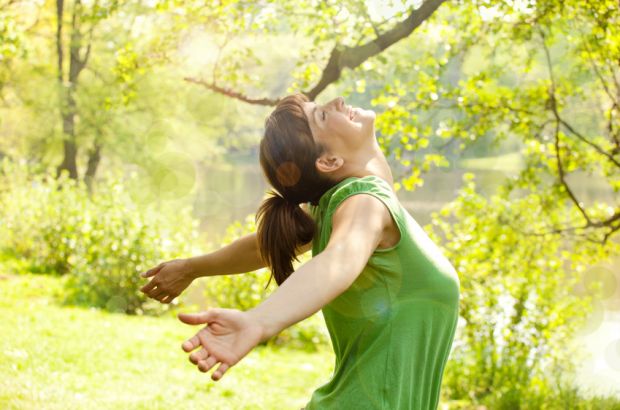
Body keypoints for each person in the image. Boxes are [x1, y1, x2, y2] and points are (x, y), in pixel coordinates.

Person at [139, 93, 460, 409]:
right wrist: (259, 321)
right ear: (329, 161)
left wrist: (191, 268)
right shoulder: (364, 201)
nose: (336, 101)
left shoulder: (338, 205)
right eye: (321, 114)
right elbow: (339, 259)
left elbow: (261, 247)